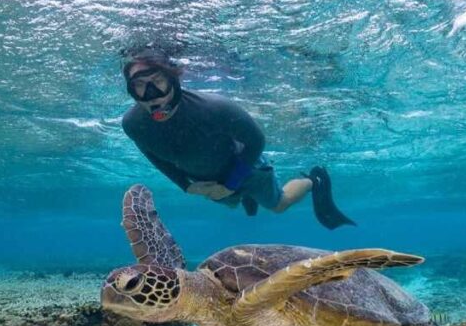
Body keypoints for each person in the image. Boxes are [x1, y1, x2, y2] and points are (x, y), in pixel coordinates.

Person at [120, 45, 355, 229]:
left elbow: (256, 142)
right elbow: (153, 154)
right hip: (208, 181)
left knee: (278, 205)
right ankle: (244, 198)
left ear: (174, 80)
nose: (151, 94)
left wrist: (231, 184)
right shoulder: (132, 124)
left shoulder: (215, 108)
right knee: (232, 203)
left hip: (248, 169)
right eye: (139, 85)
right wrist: (186, 185)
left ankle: (313, 181)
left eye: (158, 82)